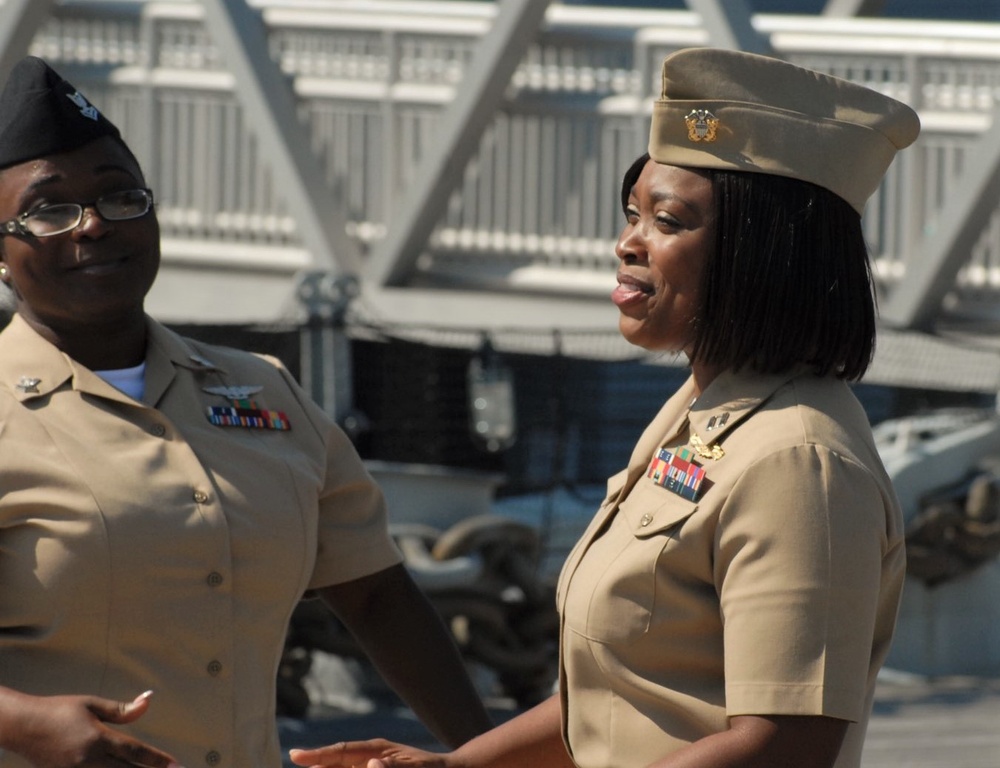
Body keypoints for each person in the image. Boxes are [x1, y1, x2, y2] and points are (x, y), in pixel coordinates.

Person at [289, 47, 919, 768]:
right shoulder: (703, 419)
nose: (627, 244)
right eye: (631, 214)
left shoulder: (798, 461)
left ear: (765, 253)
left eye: (668, 221)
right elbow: (614, 700)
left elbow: (784, 744)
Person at [0, 57, 493, 768]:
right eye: (49, 211)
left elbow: (378, 594)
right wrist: (23, 724)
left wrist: (488, 757)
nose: (94, 226)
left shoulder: (264, 390)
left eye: (120, 197)